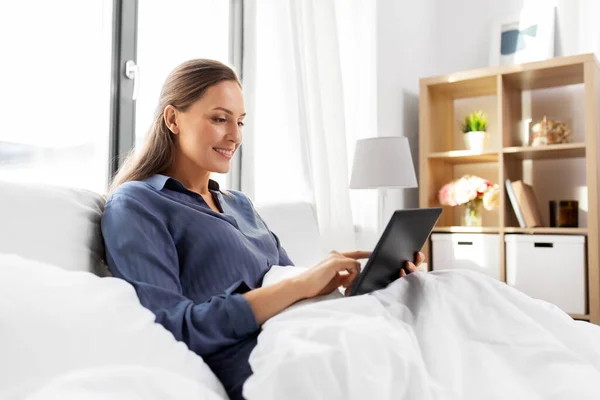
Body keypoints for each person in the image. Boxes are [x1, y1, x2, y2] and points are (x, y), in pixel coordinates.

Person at [101, 59, 425, 400]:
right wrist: (302, 283)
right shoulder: (137, 203)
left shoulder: (239, 204)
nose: (235, 136)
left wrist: (353, 281)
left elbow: (288, 282)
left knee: (439, 291)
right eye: (219, 119)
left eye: (239, 122)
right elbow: (171, 325)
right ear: (172, 119)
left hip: (314, 330)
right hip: (270, 360)